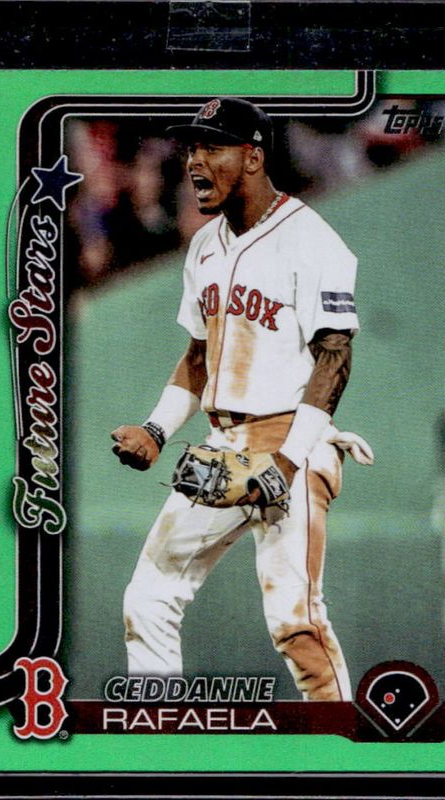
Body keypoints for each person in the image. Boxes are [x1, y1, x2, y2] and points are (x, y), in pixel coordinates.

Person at [111, 97, 373, 701]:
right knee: (148, 598)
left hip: (291, 440)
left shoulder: (313, 239)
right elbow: (198, 356)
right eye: (191, 148)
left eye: (212, 147)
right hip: (223, 444)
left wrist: (287, 462)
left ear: (253, 157)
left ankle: (338, 748)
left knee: (296, 624)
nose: (194, 161)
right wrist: (156, 429)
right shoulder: (205, 245)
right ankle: (161, 737)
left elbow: (335, 356)